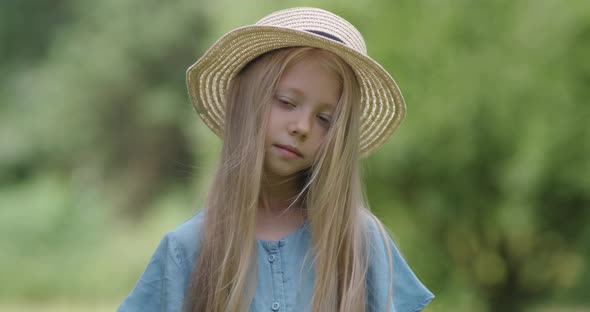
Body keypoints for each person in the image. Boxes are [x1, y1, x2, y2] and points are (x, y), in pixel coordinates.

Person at [118, 7, 434, 312]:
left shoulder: (359, 242)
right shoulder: (188, 249)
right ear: (245, 101)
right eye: (286, 101)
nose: (302, 127)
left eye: (325, 119)